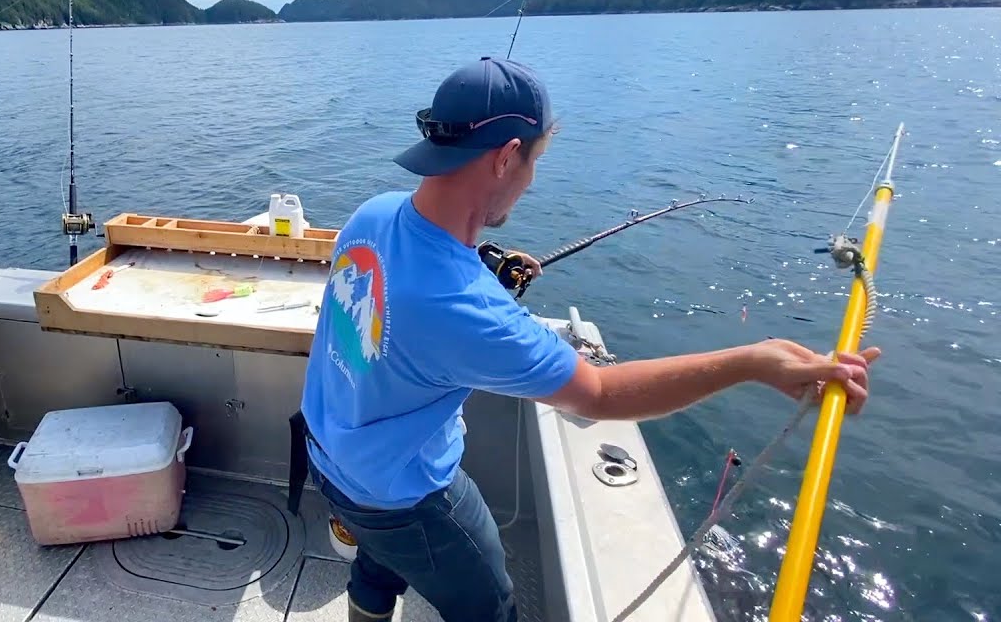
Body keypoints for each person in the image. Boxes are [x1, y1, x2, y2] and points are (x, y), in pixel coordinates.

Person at [298, 57, 879, 622]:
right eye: (535, 161)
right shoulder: (466, 310)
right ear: (505, 157)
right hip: (405, 496)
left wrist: (485, 267)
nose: (531, 180)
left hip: (331, 454)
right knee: (488, 604)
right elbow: (598, 392)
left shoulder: (373, 215)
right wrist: (753, 360)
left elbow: (405, 294)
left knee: (377, 561)